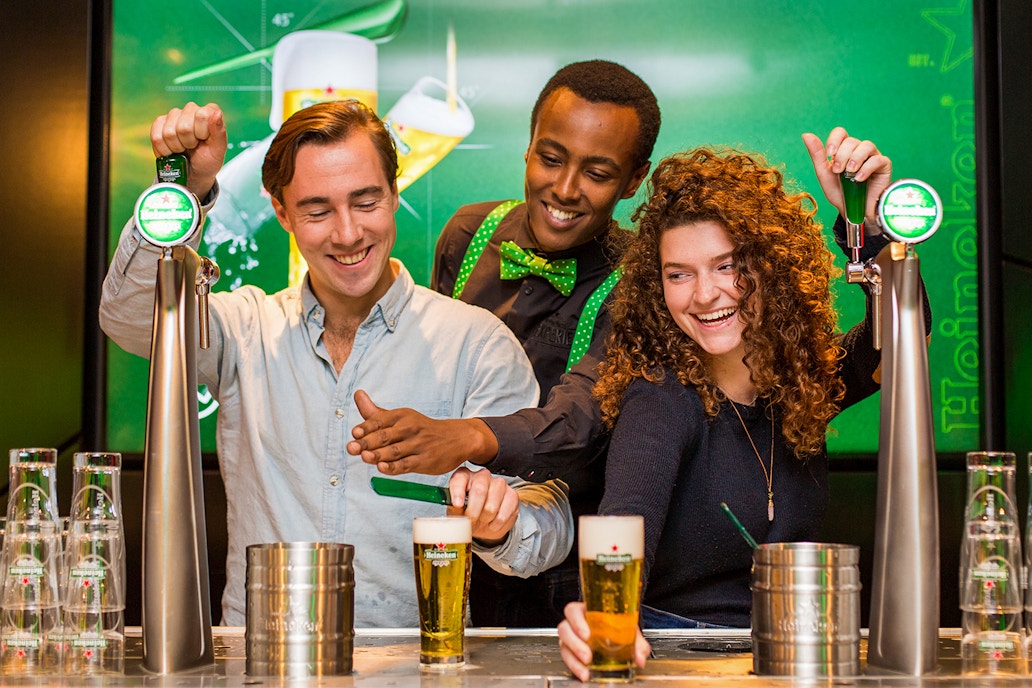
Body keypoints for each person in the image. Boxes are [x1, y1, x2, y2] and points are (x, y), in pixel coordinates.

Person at [99, 100, 573, 627]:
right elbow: (130, 316)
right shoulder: (245, 330)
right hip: (263, 659)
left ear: (394, 194)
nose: (347, 234)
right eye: (318, 210)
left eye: (366, 201)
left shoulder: (475, 342)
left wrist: (499, 522)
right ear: (281, 213)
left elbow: (547, 529)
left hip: (412, 666)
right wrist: (182, 194)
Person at [557, 130, 932, 679]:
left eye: (727, 265)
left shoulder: (799, 381)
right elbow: (621, 532)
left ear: (772, 266)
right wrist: (602, 620)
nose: (704, 295)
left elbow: (904, 338)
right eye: (678, 275)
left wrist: (871, 226)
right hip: (684, 657)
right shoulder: (660, 396)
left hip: (796, 645)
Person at [349, 60, 661, 626]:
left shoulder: (645, 276)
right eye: (550, 158)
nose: (564, 188)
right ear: (528, 148)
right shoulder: (468, 233)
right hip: (455, 540)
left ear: (634, 180)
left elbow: (581, 421)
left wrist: (466, 436)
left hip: (566, 562)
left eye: (597, 172)